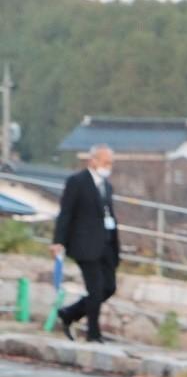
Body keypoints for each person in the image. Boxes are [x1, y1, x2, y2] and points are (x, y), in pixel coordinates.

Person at [51, 144, 120, 343]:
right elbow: (66, 213)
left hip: (107, 244)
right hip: (84, 244)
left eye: (110, 163)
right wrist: (58, 241)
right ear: (93, 161)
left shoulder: (107, 186)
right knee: (96, 288)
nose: (108, 166)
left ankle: (70, 313)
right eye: (105, 162)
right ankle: (93, 334)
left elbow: (109, 215)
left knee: (109, 287)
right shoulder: (77, 182)